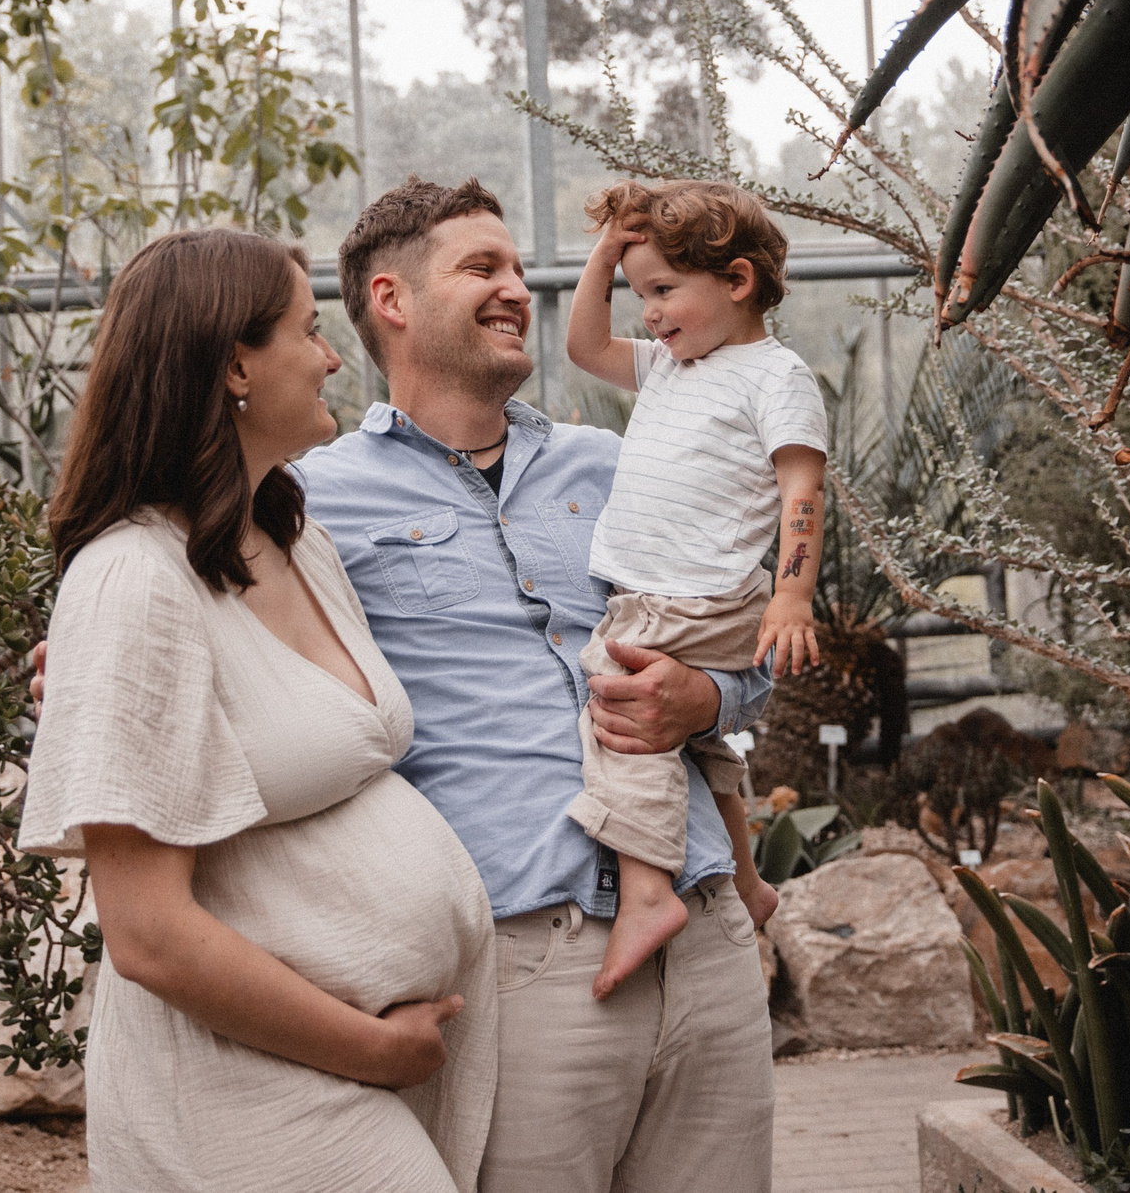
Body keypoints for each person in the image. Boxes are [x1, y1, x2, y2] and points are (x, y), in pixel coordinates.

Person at [299, 177, 777, 1193]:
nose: (516, 288)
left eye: (517, 268)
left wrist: (709, 700)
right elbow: (184, 615)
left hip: (706, 942)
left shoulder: (619, 462)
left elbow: (754, 637)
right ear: (391, 300)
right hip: (523, 963)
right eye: (482, 268)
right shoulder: (309, 500)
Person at [17, 228, 496, 1193]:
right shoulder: (129, 579)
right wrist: (368, 1049)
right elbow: (148, 933)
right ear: (235, 360)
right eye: (310, 331)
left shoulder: (290, 534)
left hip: (350, 1066)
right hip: (251, 1088)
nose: (331, 355)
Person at [560, 178, 829, 999]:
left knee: (623, 711)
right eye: (640, 294)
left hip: (688, 596)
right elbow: (581, 345)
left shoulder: (771, 374)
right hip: (679, 594)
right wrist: (607, 253)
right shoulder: (675, 366)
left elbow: (803, 492)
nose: (649, 313)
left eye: (665, 290)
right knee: (698, 737)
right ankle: (746, 879)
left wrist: (792, 595)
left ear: (738, 281)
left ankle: (645, 895)